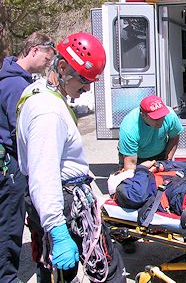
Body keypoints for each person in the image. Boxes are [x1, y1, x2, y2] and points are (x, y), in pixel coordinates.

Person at [16, 32, 126, 282]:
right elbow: (44, 174)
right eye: (84, 80)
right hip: (62, 205)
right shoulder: (48, 112)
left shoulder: (38, 92)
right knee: (108, 271)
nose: (87, 88)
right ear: (62, 67)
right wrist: (57, 230)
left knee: (52, 270)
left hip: (54, 203)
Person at [0, 32, 56, 282]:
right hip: (10, 168)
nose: (48, 62)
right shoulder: (15, 85)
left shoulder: (14, 79)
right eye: (47, 56)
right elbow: (21, 133)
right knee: (9, 226)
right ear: (34, 50)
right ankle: (8, 277)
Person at [118, 94, 184, 171]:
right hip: (135, 157)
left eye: (162, 116)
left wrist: (166, 162)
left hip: (160, 153)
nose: (160, 121)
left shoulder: (170, 115)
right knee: (131, 179)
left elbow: (174, 137)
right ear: (143, 116)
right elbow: (130, 166)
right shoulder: (129, 128)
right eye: (156, 118)